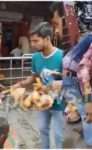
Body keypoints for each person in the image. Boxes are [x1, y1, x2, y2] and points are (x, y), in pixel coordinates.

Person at [12, 22, 63, 149]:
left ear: (47, 38)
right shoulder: (35, 57)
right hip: (42, 101)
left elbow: (68, 81)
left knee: (58, 134)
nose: (32, 44)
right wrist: (20, 84)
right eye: (31, 41)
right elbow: (33, 77)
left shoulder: (62, 56)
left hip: (60, 103)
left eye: (36, 41)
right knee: (42, 129)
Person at [50, 2, 92, 148]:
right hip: (74, 75)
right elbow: (83, 69)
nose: (56, 31)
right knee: (87, 112)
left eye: (57, 23)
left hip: (71, 74)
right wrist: (88, 99)